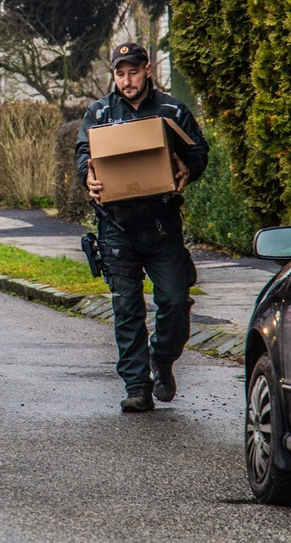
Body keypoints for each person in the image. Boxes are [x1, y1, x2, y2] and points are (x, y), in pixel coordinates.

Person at [75, 42, 208, 413]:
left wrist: (187, 168)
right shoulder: (99, 112)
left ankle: (162, 358)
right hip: (116, 224)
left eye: (133, 71)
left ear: (147, 70)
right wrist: (88, 174)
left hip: (161, 222)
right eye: (120, 73)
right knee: (127, 308)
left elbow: (198, 152)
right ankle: (137, 385)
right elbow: (83, 153)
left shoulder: (171, 109)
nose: (127, 79)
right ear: (114, 75)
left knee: (175, 301)